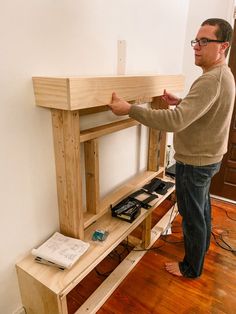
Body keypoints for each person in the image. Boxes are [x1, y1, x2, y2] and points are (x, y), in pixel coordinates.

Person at [108, 18, 235, 278]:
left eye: (204, 41)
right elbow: (202, 110)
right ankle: (201, 253)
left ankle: (191, 268)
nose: (196, 47)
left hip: (197, 161)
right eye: (195, 41)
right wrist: (182, 101)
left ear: (222, 46)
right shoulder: (220, 75)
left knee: (192, 216)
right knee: (201, 209)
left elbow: (176, 121)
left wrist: (129, 109)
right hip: (208, 158)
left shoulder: (211, 79)